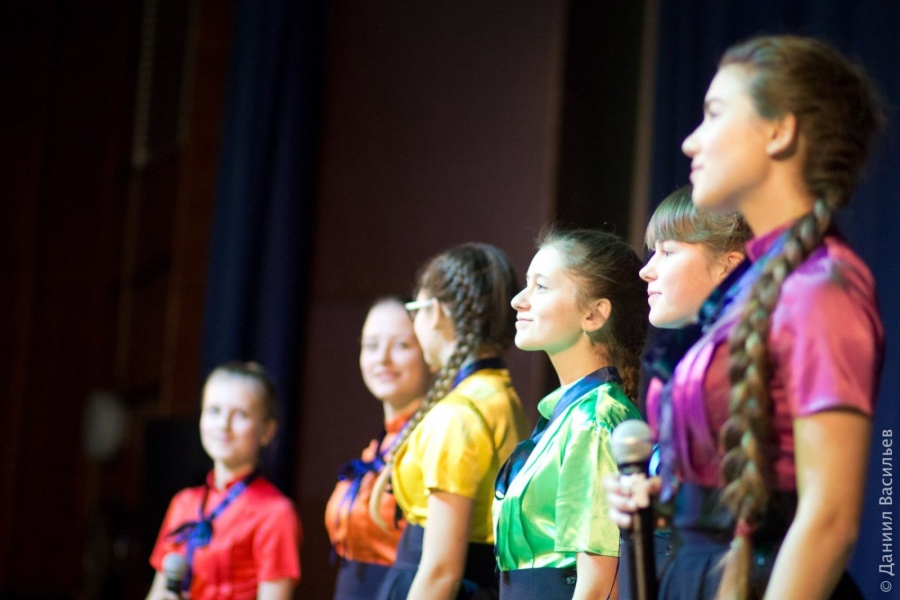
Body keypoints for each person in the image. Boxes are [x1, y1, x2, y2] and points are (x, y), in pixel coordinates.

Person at [606, 35, 884, 600]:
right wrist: (668, 499)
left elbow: (829, 521)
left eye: (714, 114)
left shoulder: (822, 287)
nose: (690, 141)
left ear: (779, 131)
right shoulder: (751, 289)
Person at [492, 229, 648, 600]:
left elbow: (598, 587)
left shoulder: (594, 419)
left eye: (541, 287)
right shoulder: (572, 414)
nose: (518, 300)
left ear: (594, 314)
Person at [371, 242, 531, 600]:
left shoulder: (459, 412)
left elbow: (441, 570)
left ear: (435, 312)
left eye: (415, 310)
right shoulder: (501, 394)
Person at [146, 362, 302, 600]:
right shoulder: (183, 503)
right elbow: (158, 592)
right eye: (214, 411)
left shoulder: (275, 513)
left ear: (267, 431)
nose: (223, 425)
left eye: (240, 415)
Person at [325, 296, 433, 599]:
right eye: (371, 345)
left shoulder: (433, 440)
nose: (382, 359)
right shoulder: (378, 447)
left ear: (429, 351)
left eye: (401, 345)